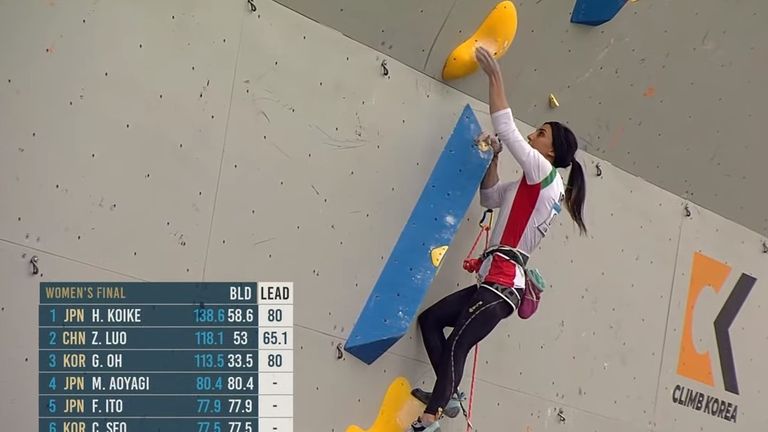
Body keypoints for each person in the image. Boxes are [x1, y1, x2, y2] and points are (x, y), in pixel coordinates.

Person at [406, 46, 588, 432]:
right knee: (432, 320)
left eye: (540, 134)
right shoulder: (531, 185)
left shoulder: (543, 172)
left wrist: (496, 79)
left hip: (502, 287)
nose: (531, 134)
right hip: (494, 283)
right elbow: (490, 198)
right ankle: (448, 393)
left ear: (551, 151)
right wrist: (494, 161)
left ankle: (430, 418)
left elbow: (505, 127)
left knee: (458, 344)